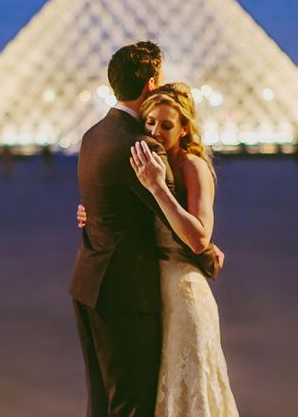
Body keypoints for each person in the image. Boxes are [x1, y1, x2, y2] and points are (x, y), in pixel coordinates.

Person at [70, 42, 221, 417]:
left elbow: (108, 203)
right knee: (132, 404)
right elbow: (183, 225)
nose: (157, 128)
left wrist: (89, 216)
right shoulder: (141, 145)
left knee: (101, 403)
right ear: (152, 84)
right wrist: (209, 254)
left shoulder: (93, 135)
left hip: (89, 283)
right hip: (127, 294)